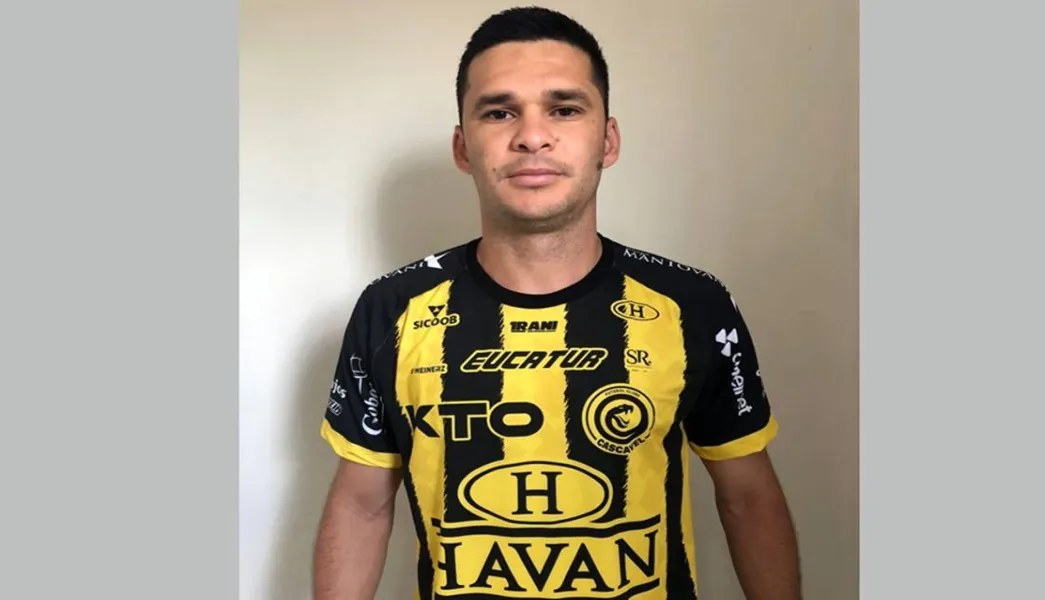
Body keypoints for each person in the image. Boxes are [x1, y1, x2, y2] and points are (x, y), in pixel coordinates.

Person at [312, 6, 801, 600]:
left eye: (564, 109)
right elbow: (361, 506)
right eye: (499, 112)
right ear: (463, 147)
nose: (532, 135)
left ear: (607, 140)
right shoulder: (391, 309)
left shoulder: (692, 304)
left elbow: (748, 497)